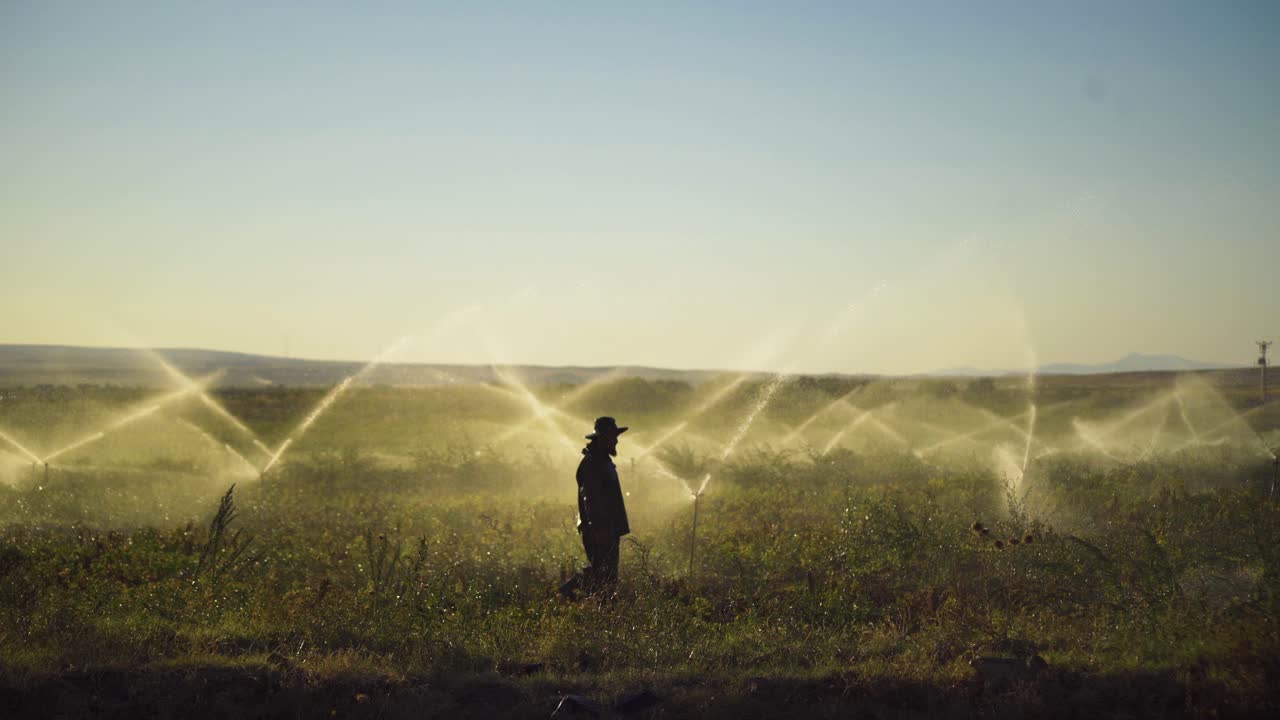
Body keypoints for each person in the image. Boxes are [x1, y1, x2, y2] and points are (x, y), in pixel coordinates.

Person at [560, 416, 631, 598]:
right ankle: (567, 593)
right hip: (600, 529)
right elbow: (590, 498)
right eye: (612, 436)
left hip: (607, 528)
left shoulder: (601, 461)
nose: (616, 440)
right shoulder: (594, 464)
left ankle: (596, 606)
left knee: (605, 574)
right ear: (601, 438)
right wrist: (599, 528)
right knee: (602, 572)